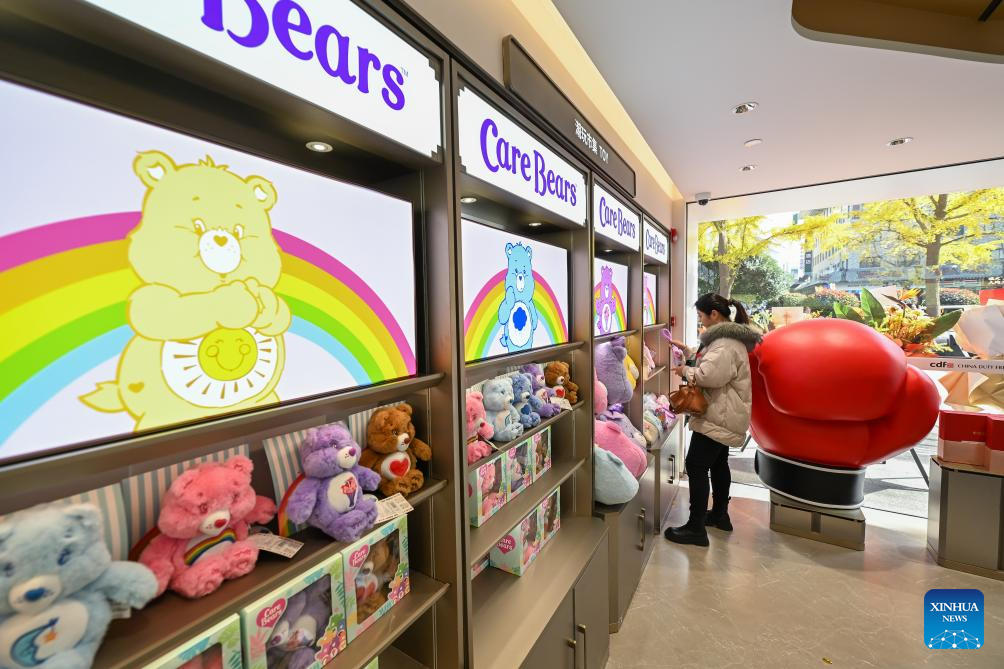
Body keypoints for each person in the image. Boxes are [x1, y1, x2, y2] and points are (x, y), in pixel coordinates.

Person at [665, 293, 762, 547]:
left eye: (701, 316)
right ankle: (720, 515)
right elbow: (712, 364)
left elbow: (709, 376)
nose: (700, 321)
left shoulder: (725, 343)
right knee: (718, 464)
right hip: (725, 414)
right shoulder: (726, 341)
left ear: (714, 314)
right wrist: (688, 352)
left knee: (696, 465)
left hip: (719, 416)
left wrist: (685, 370)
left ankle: (695, 528)